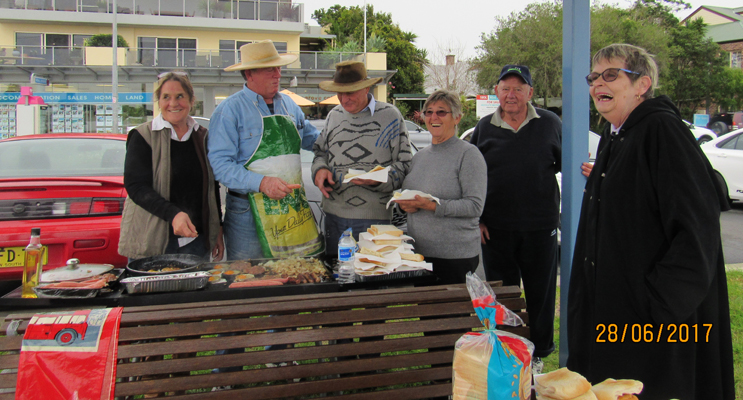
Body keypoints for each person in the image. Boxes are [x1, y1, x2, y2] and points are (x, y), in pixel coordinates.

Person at [567, 43, 734, 399]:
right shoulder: (617, 137)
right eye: (593, 77)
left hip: (650, 325)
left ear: (642, 84)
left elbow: (697, 227)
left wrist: (657, 306)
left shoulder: (661, 130)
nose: (598, 84)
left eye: (611, 75)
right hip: (615, 317)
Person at [469, 64, 561, 373]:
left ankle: (539, 355)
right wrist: (479, 219)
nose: (511, 94)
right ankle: (508, 354)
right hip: (495, 230)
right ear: (496, 91)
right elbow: (473, 179)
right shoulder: (483, 128)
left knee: (541, 294)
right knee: (503, 296)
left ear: (530, 93)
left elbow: (567, 165)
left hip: (541, 227)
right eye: (505, 88)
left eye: (518, 89)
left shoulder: (550, 124)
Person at [207, 40, 321, 260]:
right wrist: (262, 183)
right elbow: (220, 166)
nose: (278, 75)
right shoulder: (229, 111)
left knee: (292, 274)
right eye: (270, 70)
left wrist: (343, 142)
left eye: (278, 68)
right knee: (251, 276)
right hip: (247, 213)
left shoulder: (289, 105)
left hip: (291, 209)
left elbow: (314, 140)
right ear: (250, 74)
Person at [119, 71, 223, 261]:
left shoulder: (203, 137)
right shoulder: (143, 136)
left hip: (196, 241)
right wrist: (174, 214)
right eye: (166, 97)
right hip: (152, 241)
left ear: (192, 100)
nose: (173, 103)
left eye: (180, 96)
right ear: (159, 101)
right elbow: (136, 187)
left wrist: (217, 230)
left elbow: (212, 187)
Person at [312, 60, 412, 254]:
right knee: (338, 277)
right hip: (333, 216)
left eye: (349, 92)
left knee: (371, 281)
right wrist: (320, 170)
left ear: (367, 88)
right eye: (339, 92)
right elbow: (319, 153)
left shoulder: (390, 116)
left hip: (375, 220)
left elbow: (406, 164)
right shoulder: (333, 116)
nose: (343, 99)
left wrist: (379, 179)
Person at [395, 90, 486, 284]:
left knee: (453, 314)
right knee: (427, 314)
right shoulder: (419, 156)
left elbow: (474, 206)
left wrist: (432, 205)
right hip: (419, 255)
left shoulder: (469, 155)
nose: (433, 117)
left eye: (441, 112)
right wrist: (403, 205)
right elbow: (407, 194)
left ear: (457, 118)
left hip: (456, 258)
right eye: (428, 112)